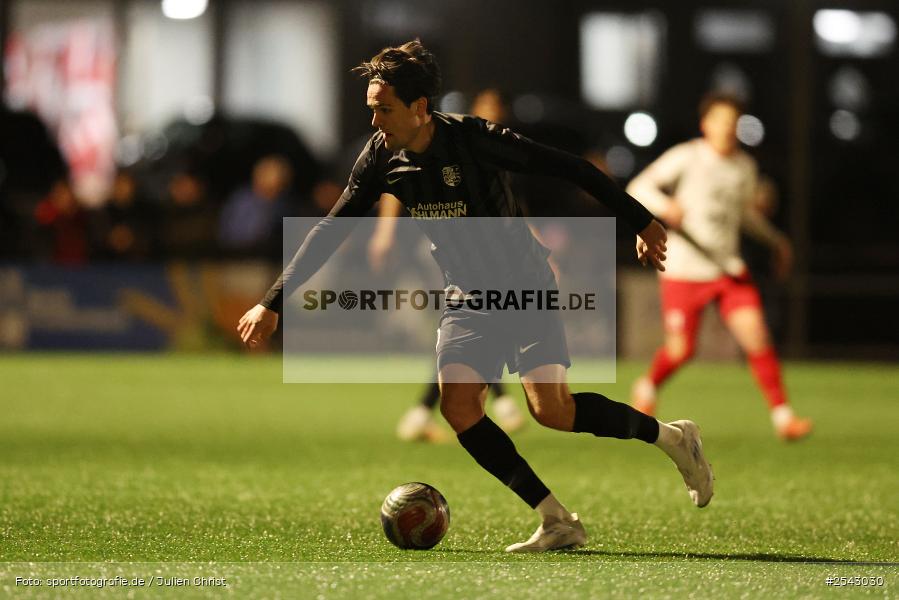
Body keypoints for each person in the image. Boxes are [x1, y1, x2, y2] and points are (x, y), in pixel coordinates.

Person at [237, 40, 713, 552]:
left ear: (420, 109)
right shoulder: (380, 156)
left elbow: (571, 168)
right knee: (459, 405)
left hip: (525, 286)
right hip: (466, 296)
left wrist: (640, 219)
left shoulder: (476, 140)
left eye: (384, 108)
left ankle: (673, 438)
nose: (374, 120)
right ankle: (557, 519)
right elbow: (331, 229)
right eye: (370, 108)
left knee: (552, 412)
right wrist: (273, 302)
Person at [626, 92, 812, 442]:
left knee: (756, 335)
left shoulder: (744, 167)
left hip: (727, 269)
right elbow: (638, 186)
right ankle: (647, 385)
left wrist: (776, 240)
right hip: (684, 268)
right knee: (681, 350)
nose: (727, 128)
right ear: (705, 124)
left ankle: (783, 417)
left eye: (733, 122)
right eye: (721, 121)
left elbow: (745, 216)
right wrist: (666, 206)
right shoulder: (687, 156)